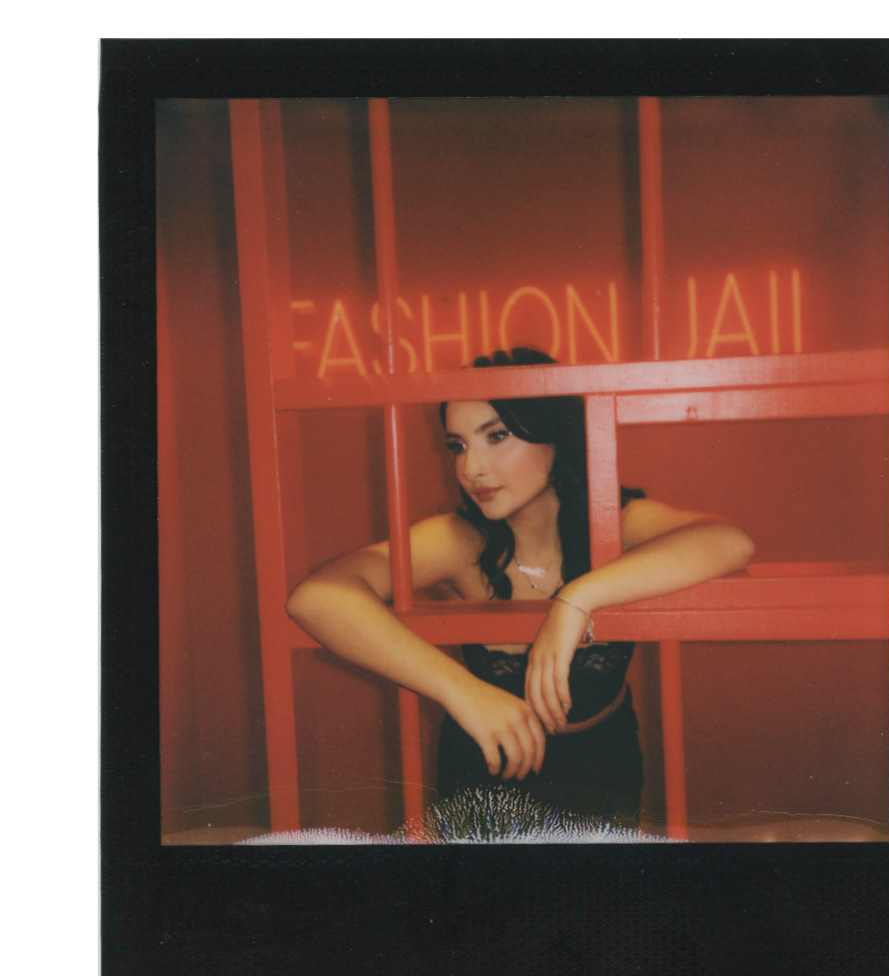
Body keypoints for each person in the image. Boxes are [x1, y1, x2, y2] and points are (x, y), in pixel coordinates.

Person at [287, 348, 754, 827]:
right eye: (458, 446)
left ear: (555, 434)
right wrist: (462, 692)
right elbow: (315, 598)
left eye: (496, 436)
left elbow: (730, 542)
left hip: (605, 764)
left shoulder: (614, 522)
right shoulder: (458, 539)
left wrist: (577, 599)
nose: (471, 468)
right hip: (488, 768)